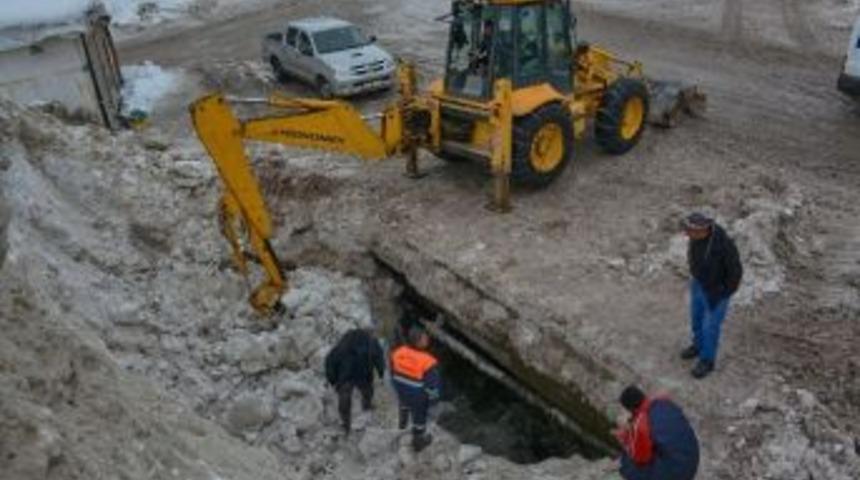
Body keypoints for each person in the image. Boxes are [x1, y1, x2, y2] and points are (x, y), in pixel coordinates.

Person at [681, 212, 743, 379]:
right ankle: (698, 345)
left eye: (690, 230)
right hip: (699, 284)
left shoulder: (724, 245)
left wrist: (724, 292)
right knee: (696, 318)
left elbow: (735, 272)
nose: (687, 233)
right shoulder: (696, 239)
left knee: (710, 326)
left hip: (717, 292)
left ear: (703, 230)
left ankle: (707, 360)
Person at [613, 385, 699, 480]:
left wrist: (626, 440)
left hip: (680, 474)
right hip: (693, 458)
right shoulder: (664, 402)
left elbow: (641, 459)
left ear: (630, 409)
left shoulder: (640, 424)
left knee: (628, 467)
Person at [324, 328, 385, 435]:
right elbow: (379, 358)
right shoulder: (371, 343)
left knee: (344, 397)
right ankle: (367, 405)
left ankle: (345, 423)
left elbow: (330, 362)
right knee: (367, 390)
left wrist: (333, 380)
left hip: (346, 374)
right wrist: (381, 372)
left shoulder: (342, 346)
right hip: (364, 373)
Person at [391, 325, 441, 452]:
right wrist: (433, 402)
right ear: (418, 343)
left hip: (400, 388)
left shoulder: (398, 352)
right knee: (420, 417)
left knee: (404, 403)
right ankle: (418, 443)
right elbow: (432, 386)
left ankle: (402, 424)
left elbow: (393, 371)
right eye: (424, 338)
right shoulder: (427, 361)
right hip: (417, 395)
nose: (427, 338)